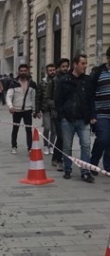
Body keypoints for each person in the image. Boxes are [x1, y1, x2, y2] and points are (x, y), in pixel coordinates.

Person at [55, 53, 96, 182]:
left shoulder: (88, 80)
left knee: (86, 145)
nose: (85, 65)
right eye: (83, 63)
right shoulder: (64, 80)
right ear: (75, 64)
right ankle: (67, 169)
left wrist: (92, 115)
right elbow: (58, 99)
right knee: (67, 146)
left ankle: (85, 171)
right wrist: (62, 115)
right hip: (68, 119)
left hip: (83, 120)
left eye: (85, 63)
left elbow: (91, 99)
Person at [6, 63, 37, 154]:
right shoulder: (13, 83)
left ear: (27, 72)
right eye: (21, 71)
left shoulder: (32, 83)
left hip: (28, 110)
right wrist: (10, 106)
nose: (23, 72)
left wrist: (35, 110)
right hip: (16, 110)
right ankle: (14, 146)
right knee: (15, 129)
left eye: (25, 71)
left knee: (28, 129)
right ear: (18, 72)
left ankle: (30, 148)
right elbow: (8, 96)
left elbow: (33, 98)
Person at [90, 46, 110, 175]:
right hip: (101, 113)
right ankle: (93, 163)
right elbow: (90, 94)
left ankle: (108, 167)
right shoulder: (98, 72)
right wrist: (92, 114)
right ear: (108, 58)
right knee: (103, 138)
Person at [45, 58, 69, 171]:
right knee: (61, 136)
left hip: (68, 113)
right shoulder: (53, 81)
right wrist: (56, 104)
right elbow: (47, 98)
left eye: (66, 66)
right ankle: (59, 160)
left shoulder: (70, 79)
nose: (65, 68)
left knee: (64, 138)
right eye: (63, 66)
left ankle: (56, 157)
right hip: (56, 113)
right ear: (59, 67)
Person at [35, 63, 56, 155]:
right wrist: (37, 110)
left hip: (55, 109)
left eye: (53, 70)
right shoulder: (42, 83)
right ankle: (45, 145)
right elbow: (38, 97)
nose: (52, 72)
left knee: (54, 130)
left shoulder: (58, 81)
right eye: (50, 70)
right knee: (47, 127)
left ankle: (51, 146)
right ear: (47, 72)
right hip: (45, 109)